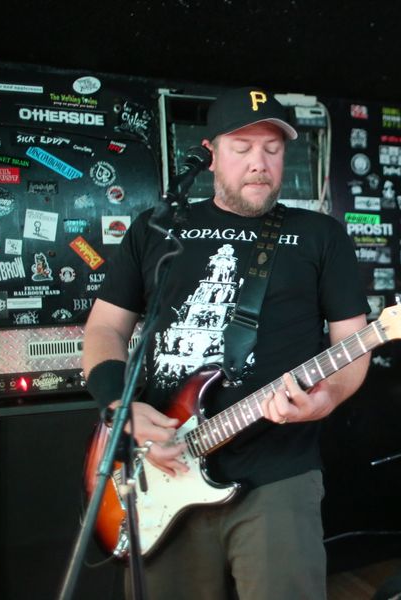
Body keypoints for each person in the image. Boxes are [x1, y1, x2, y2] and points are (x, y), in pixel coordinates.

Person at [82, 86, 370, 599]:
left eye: (273, 150)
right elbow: (105, 328)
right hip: (162, 463)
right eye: (242, 148)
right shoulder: (156, 229)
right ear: (210, 154)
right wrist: (116, 406)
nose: (260, 163)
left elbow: (353, 342)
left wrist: (327, 396)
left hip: (277, 473)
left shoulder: (320, 235)